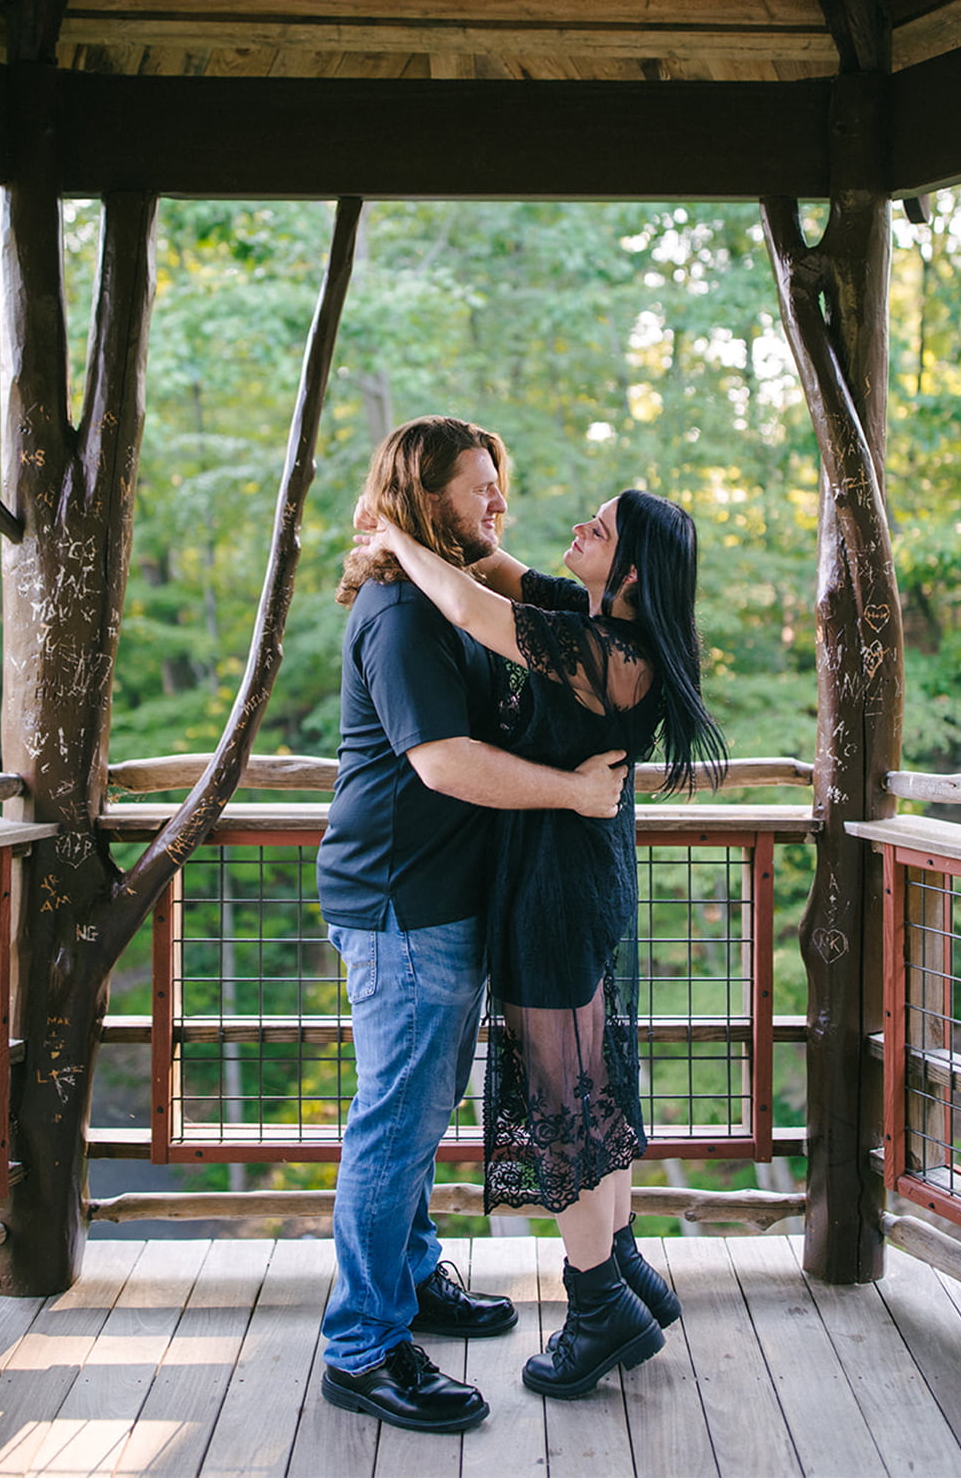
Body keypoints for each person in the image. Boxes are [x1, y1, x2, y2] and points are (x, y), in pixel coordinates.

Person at [372, 487, 726, 1399]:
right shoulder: (585, 615)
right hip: (579, 872)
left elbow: (465, 604)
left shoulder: (607, 654)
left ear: (634, 571)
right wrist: (454, 526)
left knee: (560, 1097)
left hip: (556, 887)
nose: (577, 530)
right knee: (589, 1079)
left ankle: (597, 1301)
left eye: (597, 529)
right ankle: (625, 1260)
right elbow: (493, 570)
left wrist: (391, 534)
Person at [315, 417, 629, 1435]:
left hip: (442, 902)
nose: (498, 498)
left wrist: (419, 534)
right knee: (395, 1122)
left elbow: (503, 580)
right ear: (424, 493)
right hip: (399, 901)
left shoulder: (453, 594)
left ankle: (409, 1276)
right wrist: (572, 796)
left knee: (417, 1110)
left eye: (498, 480)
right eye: (476, 485)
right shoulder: (401, 614)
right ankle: (363, 1343)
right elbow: (442, 761)